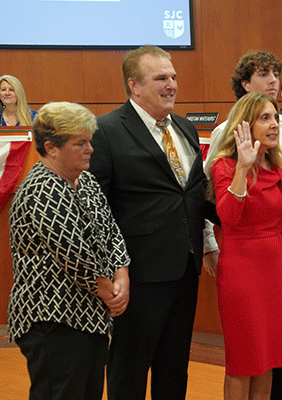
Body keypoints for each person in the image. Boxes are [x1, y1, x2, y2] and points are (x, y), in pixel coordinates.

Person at [88, 45, 220, 400]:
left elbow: (194, 193)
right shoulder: (105, 130)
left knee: (174, 367)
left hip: (184, 269)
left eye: (173, 76)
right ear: (134, 86)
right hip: (136, 274)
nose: (172, 84)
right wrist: (112, 269)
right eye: (161, 78)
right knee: (129, 370)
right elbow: (94, 209)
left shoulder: (186, 128)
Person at [204, 50, 282, 400]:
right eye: (265, 118)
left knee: (269, 359)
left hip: (275, 272)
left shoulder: (277, 167)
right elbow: (227, 217)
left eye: (274, 118)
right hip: (241, 270)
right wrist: (242, 169)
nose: (274, 124)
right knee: (244, 360)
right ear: (245, 126)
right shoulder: (225, 167)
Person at [7, 101, 130, 400]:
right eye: (81, 143)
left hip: (90, 317)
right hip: (52, 321)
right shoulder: (41, 189)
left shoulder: (84, 180)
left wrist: (122, 274)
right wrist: (111, 293)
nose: (90, 149)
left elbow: (111, 230)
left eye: (90, 141)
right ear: (51, 147)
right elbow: (75, 256)